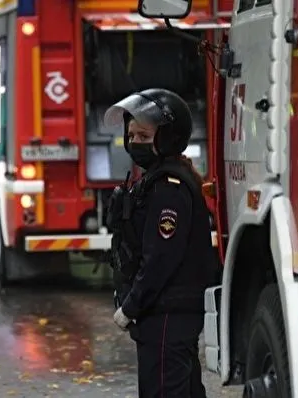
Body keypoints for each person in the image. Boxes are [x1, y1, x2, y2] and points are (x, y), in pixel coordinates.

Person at [105, 88, 217, 397]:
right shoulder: (157, 180)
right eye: (132, 136)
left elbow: (161, 258)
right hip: (164, 314)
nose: (135, 143)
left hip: (168, 313)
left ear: (167, 138)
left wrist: (132, 305)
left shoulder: (169, 188)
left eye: (144, 135)